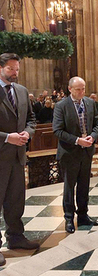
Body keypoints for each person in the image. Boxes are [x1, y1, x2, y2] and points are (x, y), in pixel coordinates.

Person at [0, 53, 39, 266]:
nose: (15, 73)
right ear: (0, 68)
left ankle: (15, 237)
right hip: (0, 154)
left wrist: (27, 133)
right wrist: (7, 137)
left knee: (15, 200)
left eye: (17, 69)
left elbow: (31, 119)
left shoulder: (22, 91)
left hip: (17, 156)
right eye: (10, 69)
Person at [53, 76, 98, 234]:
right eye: (78, 89)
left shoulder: (90, 103)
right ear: (70, 89)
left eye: (83, 89)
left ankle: (83, 215)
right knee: (69, 187)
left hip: (86, 151)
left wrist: (92, 136)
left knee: (84, 185)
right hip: (69, 153)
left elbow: (97, 125)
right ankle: (68, 217)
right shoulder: (61, 106)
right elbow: (57, 130)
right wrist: (77, 140)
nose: (81, 92)